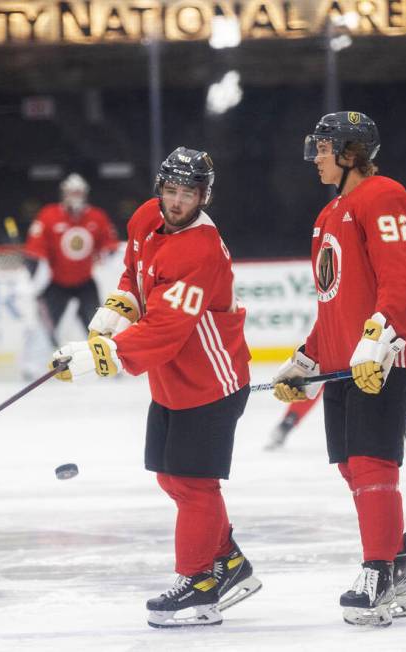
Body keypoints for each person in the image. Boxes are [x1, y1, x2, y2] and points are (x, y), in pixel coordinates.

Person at [50, 148, 260, 628]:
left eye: (189, 194)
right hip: (174, 381)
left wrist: (102, 356)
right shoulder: (148, 218)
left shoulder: (200, 249)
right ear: (159, 189)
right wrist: (119, 305)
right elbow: (136, 271)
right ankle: (228, 563)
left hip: (210, 382)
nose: (178, 201)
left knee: (193, 484)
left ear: (203, 196)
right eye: (172, 190)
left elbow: (166, 328)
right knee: (172, 478)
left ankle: (201, 585)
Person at [272, 111, 406, 627]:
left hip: (385, 360)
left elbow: (403, 281)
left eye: (323, 148)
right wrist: (305, 359)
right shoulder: (329, 214)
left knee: (370, 465)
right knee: (352, 468)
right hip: (343, 367)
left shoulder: (383, 195)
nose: (314, 157)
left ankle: (379, 571)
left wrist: (380, 338)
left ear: (350, 153)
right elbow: (333, 304)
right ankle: (398, 569)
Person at [264, 207, 406, 451]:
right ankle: (390, 424)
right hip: (379, 333)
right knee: (363, 381)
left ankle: (288, 423)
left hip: (360, 325)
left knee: (324, 371)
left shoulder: (390, 250)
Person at [24, 173, 119, 341]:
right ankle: (33, 365)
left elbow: (109, 247)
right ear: (64, 194)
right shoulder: (48, 215)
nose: (75, 197)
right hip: (56, 284)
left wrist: (106, 257)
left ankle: (102, 360)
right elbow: (34, 253)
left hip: (85, 282)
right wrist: (35, 281)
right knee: (44, 330)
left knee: (98, 326)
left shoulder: (97, 217)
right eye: (72, 193)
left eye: (79, 193)